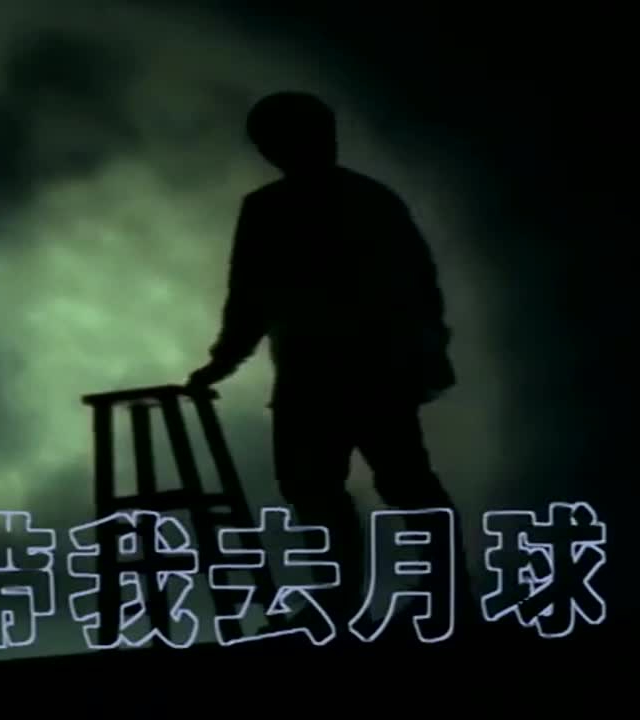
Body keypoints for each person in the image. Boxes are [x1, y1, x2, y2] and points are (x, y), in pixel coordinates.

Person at [185, 91, 471, 629]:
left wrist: (223, 362)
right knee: (398, 482)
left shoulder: (270, 209)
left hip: (319, 375)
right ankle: (442, 597)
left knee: (321, 487)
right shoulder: (370, 199)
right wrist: (428, 354)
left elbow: (250, 298)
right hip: (373, 371)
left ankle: (345, 604)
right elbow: (419, 285)